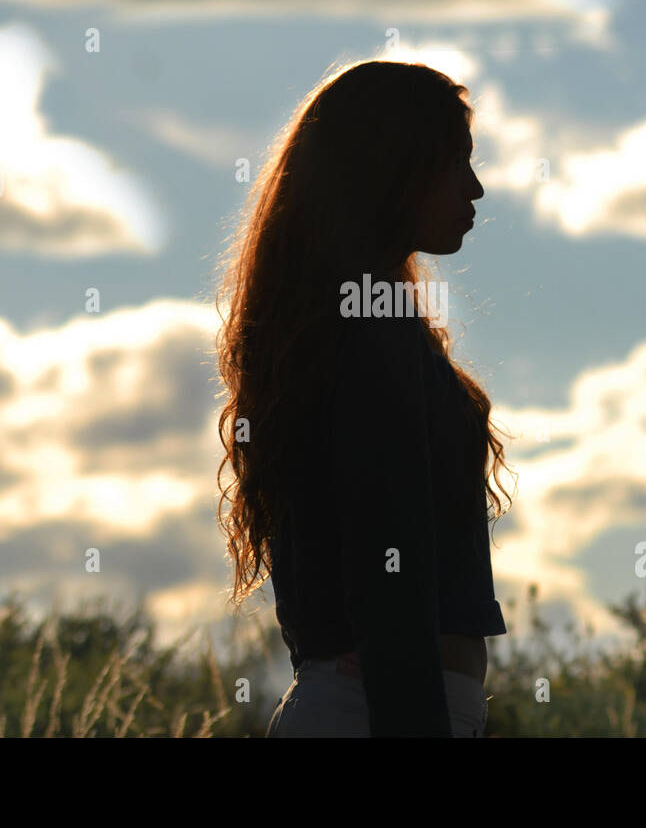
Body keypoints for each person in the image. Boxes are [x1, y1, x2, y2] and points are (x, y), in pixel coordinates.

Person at [214, 60, 515, 737]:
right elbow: (389, 568)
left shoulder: (356, 327)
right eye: (455, 164)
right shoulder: (369, 338)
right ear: (394, 171)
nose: (476, 187)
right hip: (376, 714)